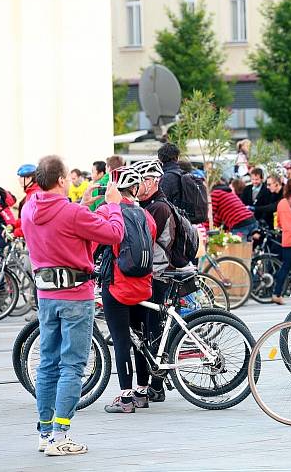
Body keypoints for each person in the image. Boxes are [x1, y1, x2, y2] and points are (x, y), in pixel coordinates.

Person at [21, 155, 124, 456]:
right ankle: (60, 436)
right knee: (73, 365)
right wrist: (114, 205)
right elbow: (114, 234)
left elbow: (62, 232)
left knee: (48, 363)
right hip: (76, 295)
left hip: (46, 296)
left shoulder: (29, 209)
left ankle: (44, 433)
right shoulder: (70, 212)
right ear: (62, 180)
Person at [100, 166, 158, 414]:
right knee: (141, 338)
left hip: (118, 286)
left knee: (121, 340)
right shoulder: (146, 215)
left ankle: (125, 399)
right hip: (143, 285)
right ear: (135, 189)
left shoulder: (106, 211)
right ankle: (142, 392)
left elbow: (96, 241)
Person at [133, 158, 179, 403]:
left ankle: (157, 384)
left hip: (157, 275)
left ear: (151, 182)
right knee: (148, 330)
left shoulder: (158, 207)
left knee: (153, 330)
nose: (137, 186)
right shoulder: (149, 204)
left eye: (140, 181)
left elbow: (143, 241)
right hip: (151, 274)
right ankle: (153, 383)